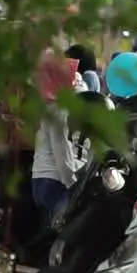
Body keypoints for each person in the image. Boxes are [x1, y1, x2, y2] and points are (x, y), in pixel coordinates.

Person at [31, 50, 88, 224]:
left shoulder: (50, 108)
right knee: (57, 234)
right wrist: (73, 183)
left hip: (42, 179)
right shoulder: (60, 111)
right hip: (55, 181)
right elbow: (62, 151)